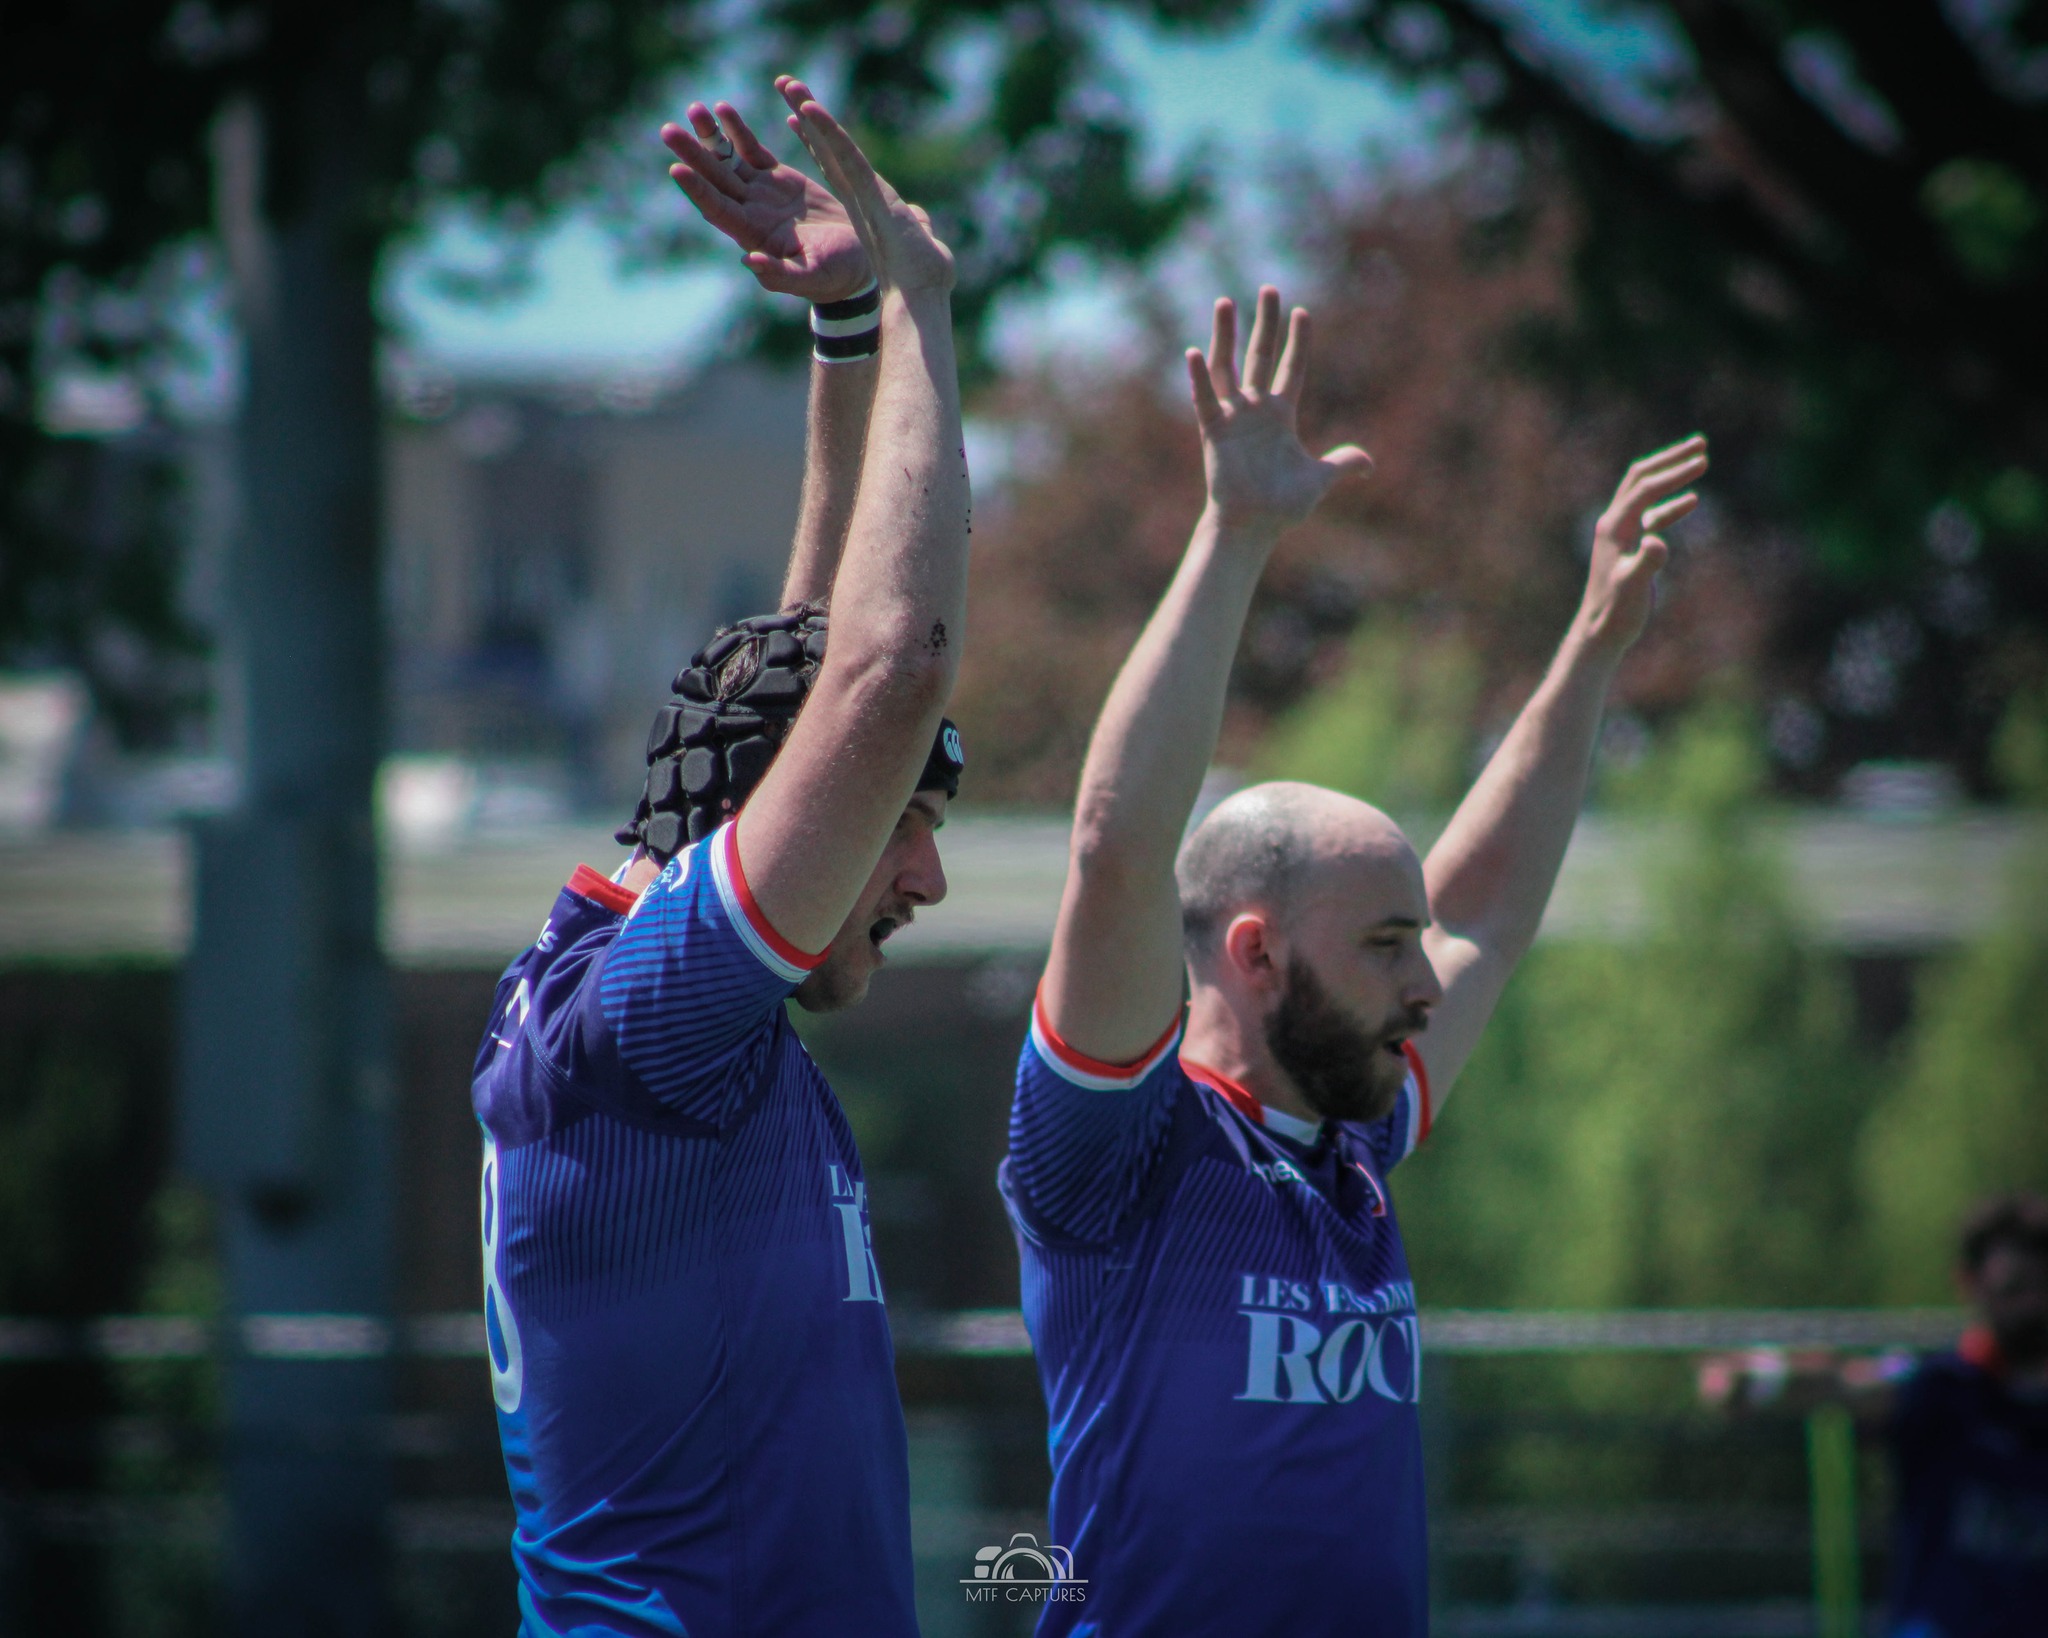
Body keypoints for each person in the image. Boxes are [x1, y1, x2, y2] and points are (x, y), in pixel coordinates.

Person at [1001, 284, 1707, 1633]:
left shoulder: (1349, 1149)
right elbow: (1114, 851)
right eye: (1387, 943)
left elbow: (1487, 914)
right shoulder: (1115, 1154)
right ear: (1255, 955)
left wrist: (1595, 644)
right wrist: (1235, 532)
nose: (1427, 983)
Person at [470, 78, 968, 1635]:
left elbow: (795, 672)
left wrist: (841, 327)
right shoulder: (656, 1023)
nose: (924, 884)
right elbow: (882, 671)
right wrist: (929, 325)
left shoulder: (635, 962)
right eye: (903, 829)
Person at [1701, 1193, 2048, 1636]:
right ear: (1970, 1285)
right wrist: (1761, 1381)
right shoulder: (1943, 1388)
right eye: (2014, 1289)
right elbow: (1846, 1384)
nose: (2034, 1305)